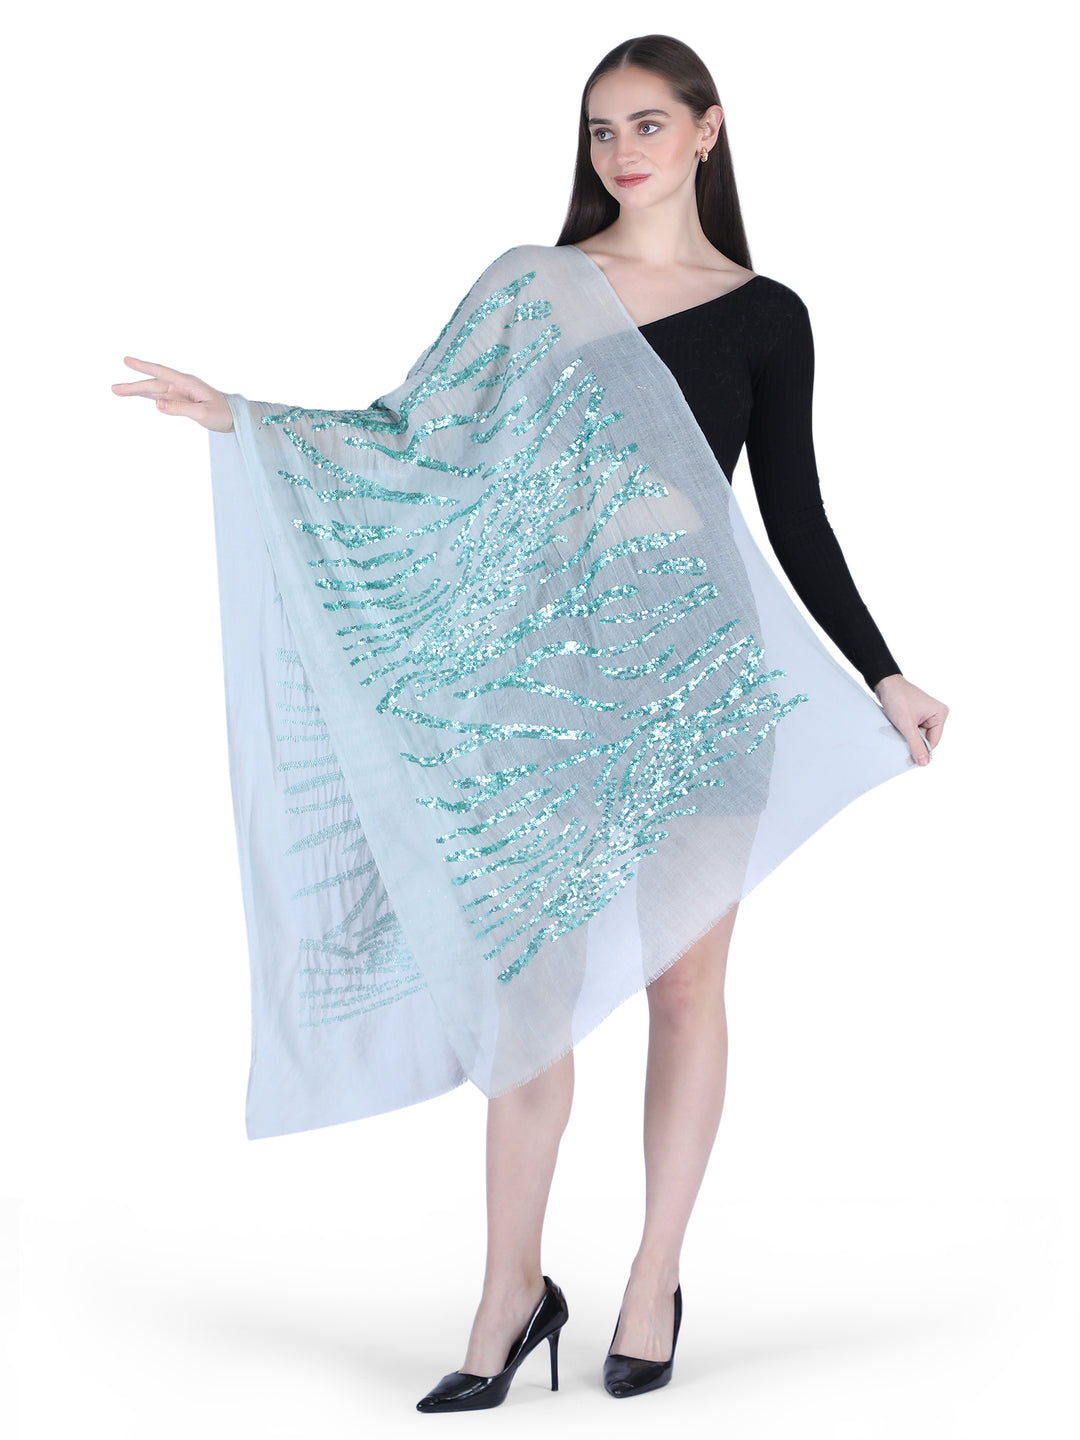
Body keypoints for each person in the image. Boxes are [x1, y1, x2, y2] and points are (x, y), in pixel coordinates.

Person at [113, 32, 948, 1413]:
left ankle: (653, 1278)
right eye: (600, 131)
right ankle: (509, 1292)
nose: (620, 153)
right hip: (546, 688)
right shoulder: (535, 290)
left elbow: (793, 511)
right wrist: (248, 421)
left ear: (708, 130)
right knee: (531, 995)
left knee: (687, 989)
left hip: (702, 685)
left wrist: (883, 671)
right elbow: (411, 440)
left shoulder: (767, 315)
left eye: (646, 124)